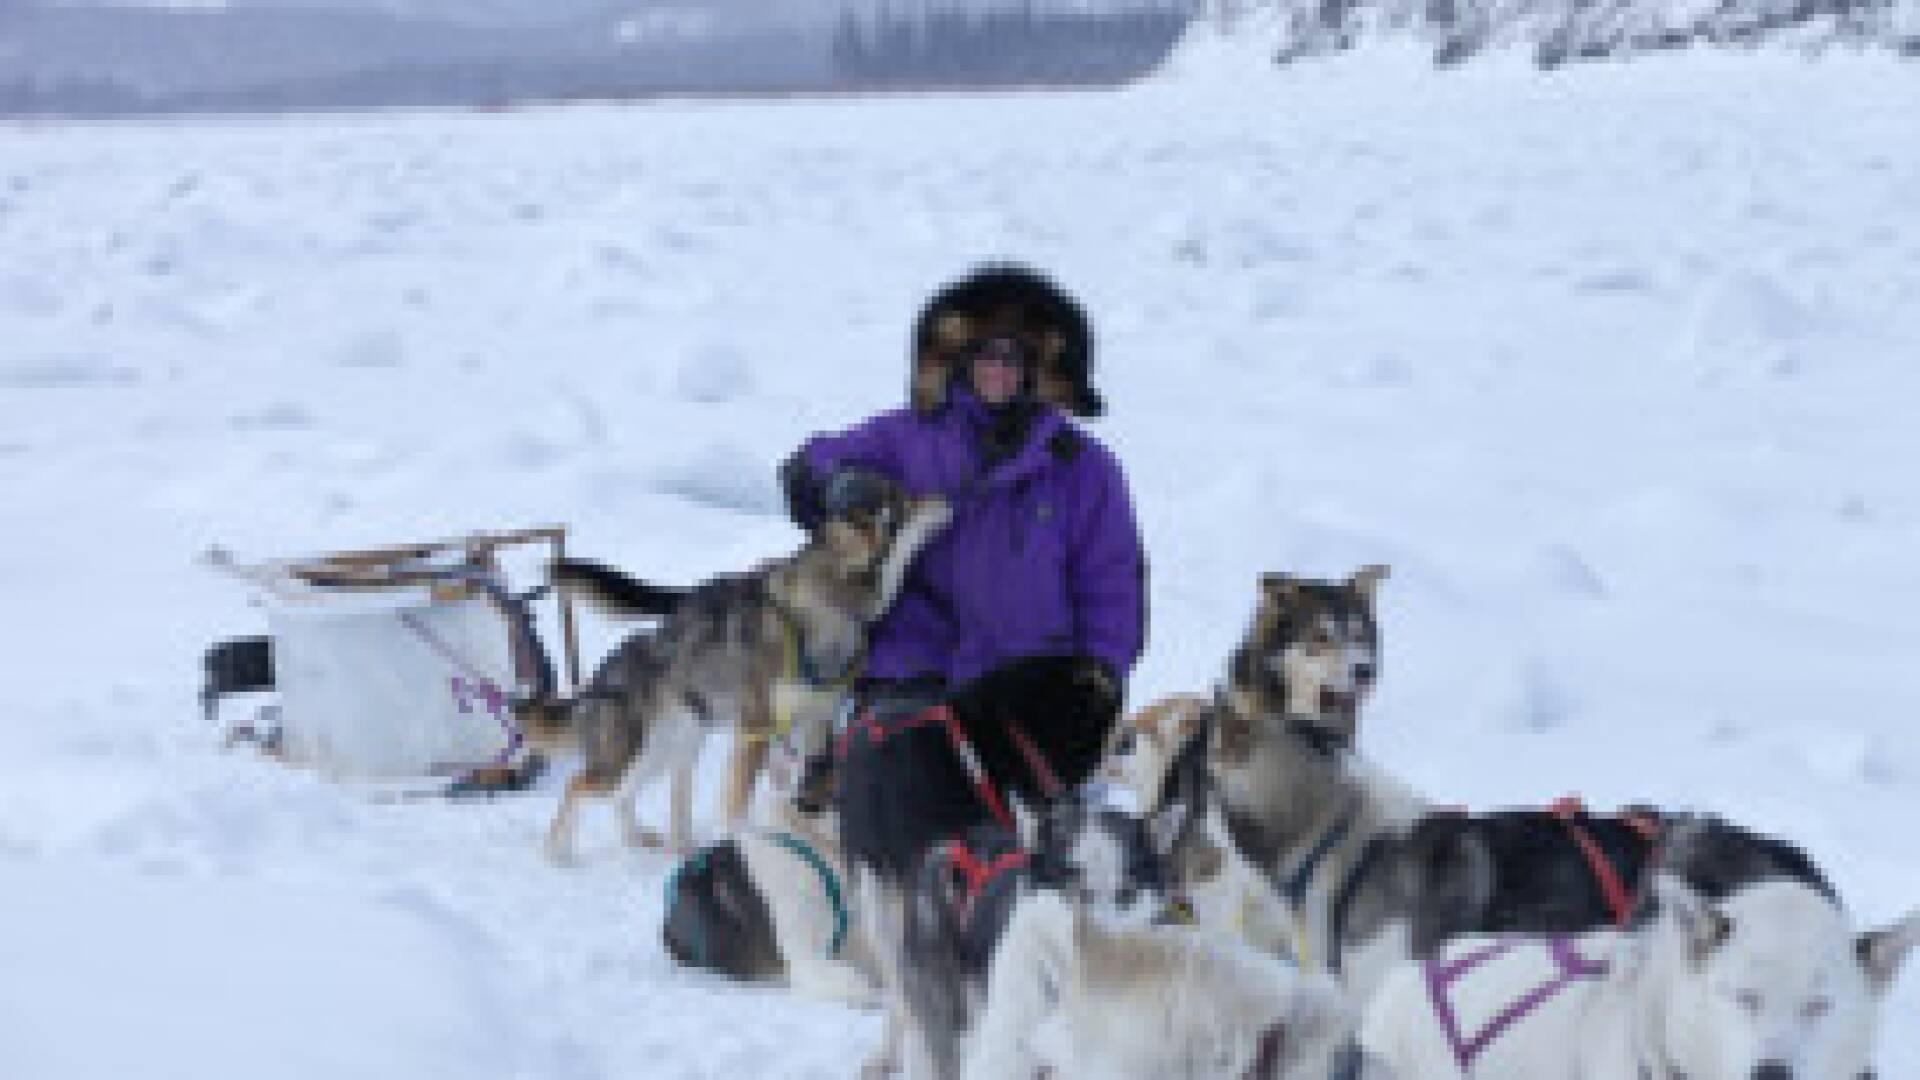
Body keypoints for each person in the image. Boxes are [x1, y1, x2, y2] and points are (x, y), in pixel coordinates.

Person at [780, 264, 1147, 876]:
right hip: (914, 668)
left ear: (1041, 371)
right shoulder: (908, 437)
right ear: (957, 360)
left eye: (1015, 360)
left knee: (1039, 846)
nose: (999, 372)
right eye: (986, 357)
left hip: (1029, 682)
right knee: (904, 814)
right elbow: (817, 460)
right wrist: (832, 485)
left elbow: (1111, 586)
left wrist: (1099, 681)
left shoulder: (1085, 469)